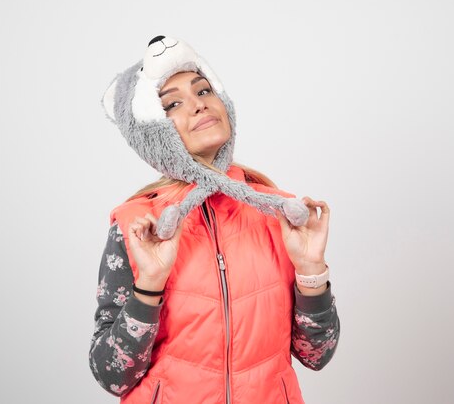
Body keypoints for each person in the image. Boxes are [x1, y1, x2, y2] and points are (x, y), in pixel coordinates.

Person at [89, 35, 340, 404]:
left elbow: (315, 356)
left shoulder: (280, 212)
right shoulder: (137, 224)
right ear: (150, 130)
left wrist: (311, 271)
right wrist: (151, 285)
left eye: (203, 90)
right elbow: (111, 376)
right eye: (173, 103)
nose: (197, 106)